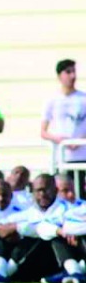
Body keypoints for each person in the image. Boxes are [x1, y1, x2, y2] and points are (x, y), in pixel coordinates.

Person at [41, 59, 86, 196]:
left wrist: (79, 140)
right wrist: (59, 139)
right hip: (61, 158)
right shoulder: (52, 100)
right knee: (64, 194)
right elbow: (43, 131)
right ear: (59, 75)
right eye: (68, 72)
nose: (72, 76)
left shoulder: (83, 98)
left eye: (74, 71)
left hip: (82, 156)